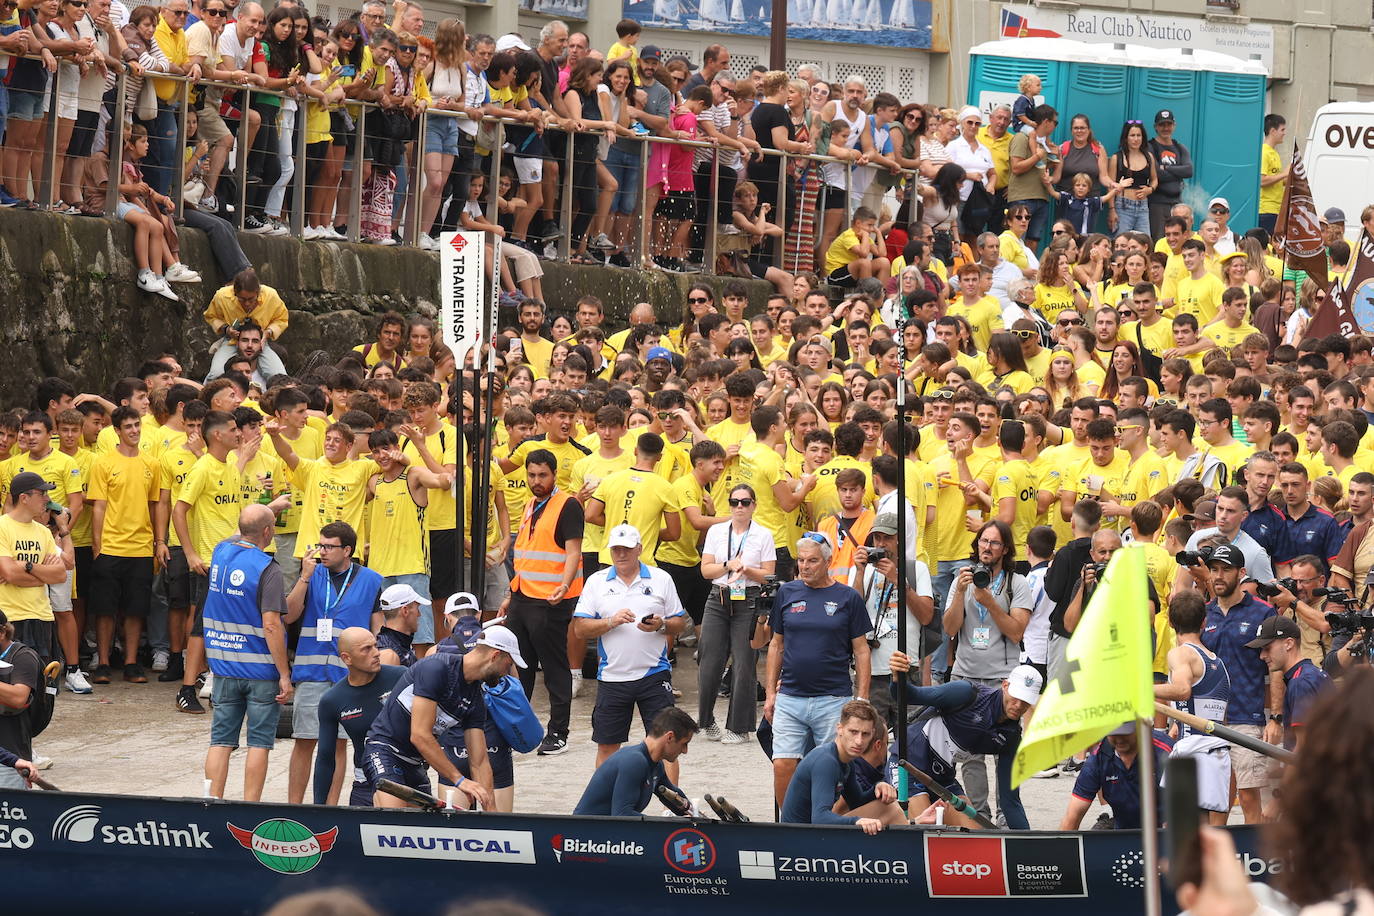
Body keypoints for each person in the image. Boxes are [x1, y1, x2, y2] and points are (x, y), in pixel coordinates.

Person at [764, 533, 872, 809]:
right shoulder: (787, 592)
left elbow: (861, 650)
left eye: (812, 560)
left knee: (832, 767)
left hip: (832, 698)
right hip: (790, 696)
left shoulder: (848, 597)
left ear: (827, 561)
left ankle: (826, 823)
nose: (804, 566)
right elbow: (776, 645)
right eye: (800, 560)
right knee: (783, 764)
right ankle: (790, 828)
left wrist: (861, 698)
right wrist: (769, 693)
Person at [363, 625, 522, 809]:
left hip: (415, 763)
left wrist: (491, 811)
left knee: (417, 833)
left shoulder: (476, 698)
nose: (506, 673)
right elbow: (420, 735)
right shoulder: (436, 668)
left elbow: (479, 762)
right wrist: (460, 780)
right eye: (508, 664)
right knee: (395, 820)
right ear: (494, 656)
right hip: (384, 749)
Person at [284, 521, 385, 805]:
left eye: (329, 546)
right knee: (304, 740)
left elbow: (379, 629)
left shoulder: (371, 580)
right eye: (320, 545)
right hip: (312, 671)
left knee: (339, 744)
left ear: (347, 550)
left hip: (348, 676)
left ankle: (329, 808)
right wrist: (303, 578)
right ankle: (295, 808)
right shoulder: (311, 574)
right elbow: (289, 616)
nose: (322, 551)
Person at [887, 650, 1042, 828]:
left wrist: (1028, 844)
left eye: (1026, 701)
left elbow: (1010, 802)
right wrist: (898, 676)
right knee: (925, 830)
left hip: (942, 779)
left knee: (977, 836)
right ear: (1005, 686)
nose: (1019, 705)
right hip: (908, 765)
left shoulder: (1011, 737)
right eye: (1016, 697)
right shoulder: (967, 693)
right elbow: (908, 695)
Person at [573, 524, 686, 767]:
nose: (621, 554)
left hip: (654, 675)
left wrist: (661, 624)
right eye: (616, 549)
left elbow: (680, 623)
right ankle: (604, 804)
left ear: (639, 549)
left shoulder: (661, 578)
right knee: (607, 745)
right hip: (613, 677)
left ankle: (672, 806)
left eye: (626, 549)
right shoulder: (597, 581)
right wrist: (610, 622)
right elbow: (579, 628)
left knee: (667, 742)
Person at [200, 504, 292, 801]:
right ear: (268, 531)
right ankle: (250, 805)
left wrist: (267, 509)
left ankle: (212, 800)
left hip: (224, 667)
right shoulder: (268, 567)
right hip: (260, 671)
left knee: (221, 741)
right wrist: (284, 673)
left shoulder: (220, 553)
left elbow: (237, 534)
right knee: (259, 743)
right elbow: (271, 625)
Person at [498, 448, 584, 757]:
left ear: (554, 474)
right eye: (531, 475)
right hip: (523, 596)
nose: (536, 481)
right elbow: (523, 554)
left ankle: (558, 732)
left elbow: (574, 551)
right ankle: (520, 730)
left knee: (554, 667)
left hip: (550, 600)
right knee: (520, 666)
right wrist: (510, 594)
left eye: (542, 475)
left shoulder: (568, 505)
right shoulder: (529, 504)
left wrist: (563, 585)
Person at [1198, 543, 1279, 823]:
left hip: (1248, 716)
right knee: (1215, 799)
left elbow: (1276, 668)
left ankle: (1257, 858)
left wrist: (1275, 718)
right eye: (1214, 569)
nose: (1219, 576)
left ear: (1241, 573)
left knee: (1247, 797)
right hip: (1208, 719)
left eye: (1226, 569)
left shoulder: (1263, 613)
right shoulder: (1203, 613)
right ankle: (1216, 863)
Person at [696, 482, 774, 742]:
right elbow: (706, 570)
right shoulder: (717, 531)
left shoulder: (763, 534)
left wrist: (747, 570)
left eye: (745, 502)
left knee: (744, 662)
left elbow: (768, 575)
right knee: (709, 660)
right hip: (718, 596)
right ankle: (706, 720)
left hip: (748, 597)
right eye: (734, 502)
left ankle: (739, 727)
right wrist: (729, 565)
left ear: (754, 505)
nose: (739, 507)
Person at [88, 405, 159, 684]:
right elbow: (98, 508)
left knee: (136, 608)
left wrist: (157, 541)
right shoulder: (103, 463)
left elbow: (155, 506)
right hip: (110, 546)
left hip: (141, 547)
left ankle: (131, 663)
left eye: (137, 425)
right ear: (116, 431)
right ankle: (103, 662)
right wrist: (97, 546)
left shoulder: (152, 463)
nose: (134, 431)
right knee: (104, 609)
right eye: (128, 426)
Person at [1155, 592, 1233, 824]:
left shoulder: (1180, 653)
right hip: (1217, 752)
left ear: (1169, 622)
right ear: (1203, 622)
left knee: (1178, 832)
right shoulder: (1217, 662)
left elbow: (1182, 690)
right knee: (1209, 832)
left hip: (1194, 753)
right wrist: (1178, 724)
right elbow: (1215, 711)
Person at [851, 513, 935, 728]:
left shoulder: (916, 569)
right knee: (869, 745)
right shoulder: (863, 570)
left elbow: (926, 616)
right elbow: (852, 615)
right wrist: (860, 573)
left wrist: (898, 580)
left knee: (910, 744)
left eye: (887, 538)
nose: (881, 544)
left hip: (907, 670)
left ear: (900, 539)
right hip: (872, 672)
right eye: (876, 538)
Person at [780, 699, 905, 833]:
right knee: (889, 809)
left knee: (886, 804)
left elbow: (856, 801)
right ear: (840, 729)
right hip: (799, 840)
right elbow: (820, 819)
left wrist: (878, 788)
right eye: (853, 732)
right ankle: (911, 848)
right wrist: (857, 821)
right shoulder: (826, 761)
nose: (859, 741)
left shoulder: (847, 761)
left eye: (865, 734)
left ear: (873, 734)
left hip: (810, 834)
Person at [312, 627, 406, 806]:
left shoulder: (401, 677)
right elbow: (325, 758)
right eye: (366, 649)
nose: (376, 653)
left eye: (375, 646)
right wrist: (318, 808)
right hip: (365, 783)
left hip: (408, 778)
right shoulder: (332, 700)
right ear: (347, 658)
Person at [573, 706, 695, 816]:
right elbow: (622, 815)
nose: (685, 751)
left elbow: (676, 799)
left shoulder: (656, 766)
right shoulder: (635, 761)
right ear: (669, 737)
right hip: (584, 837)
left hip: (608, 835)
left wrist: (697, 816)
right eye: (684, 744)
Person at [0, 472, 67, 666]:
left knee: (44, 685)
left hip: (42, 616)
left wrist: (27, 566)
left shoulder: (44, 532)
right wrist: (44, 574)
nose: (48, 499)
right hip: (10, 619)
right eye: (42, 494)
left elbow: (61, 574)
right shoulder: (3, 526)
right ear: (24, 498)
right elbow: (9, 573)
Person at [1058, 722, 1169, 829]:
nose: (1119, 739)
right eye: (1114, 733)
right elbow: (1072, 817)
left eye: (1125, 733)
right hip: (1124, 831)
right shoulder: (1098, 759)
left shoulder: (1166, 753)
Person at [1245, 615, 1330, 751]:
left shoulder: (1301, 681)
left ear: (1289, 644)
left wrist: (1289, 772)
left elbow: (1303, 748)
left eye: (1267, 648)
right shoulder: (1312, 674)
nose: (1262, 656)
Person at [375, 583, 425, 667]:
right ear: (405, 611)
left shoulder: (401, 644)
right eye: (417, 608)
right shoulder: (388, 655)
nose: (419, 614)